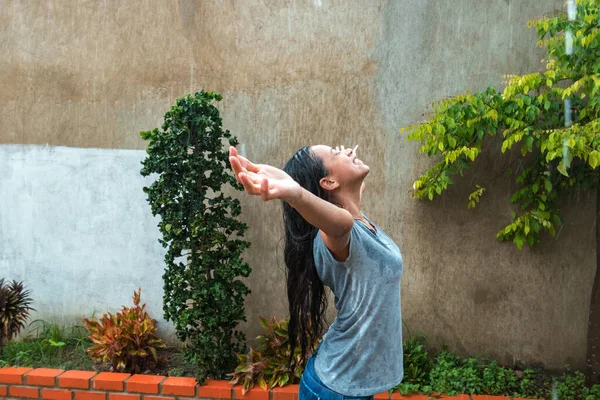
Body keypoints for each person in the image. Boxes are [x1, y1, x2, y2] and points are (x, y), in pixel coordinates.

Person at [228, 144, 403, 399]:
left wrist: (341, 160)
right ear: (328, 182)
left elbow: (350, 194)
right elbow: (339, 220)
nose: (348, 151)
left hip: (348, 382)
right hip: (335, 389)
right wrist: (296, 193)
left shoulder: (359, 220)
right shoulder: (337, 232)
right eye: (336, 152)